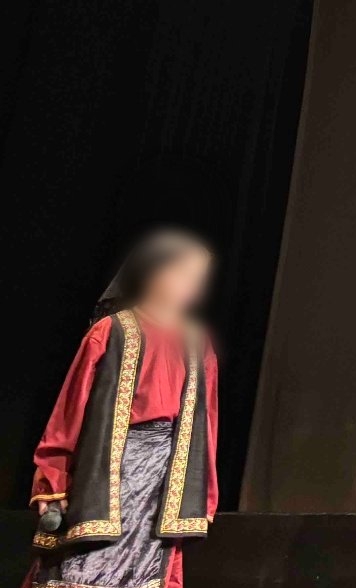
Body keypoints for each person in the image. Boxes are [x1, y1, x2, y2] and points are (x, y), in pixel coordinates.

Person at [28, 229, 220, 588]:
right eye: (184, 274)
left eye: (199, 278)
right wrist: (53, 481)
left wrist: (203, 494)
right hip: (107, 470)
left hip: (164, 478)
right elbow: (69, 413)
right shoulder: (110, 332)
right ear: (153, 272)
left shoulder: (197, 342)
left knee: (148, 570)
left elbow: (206, 423)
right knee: (85, 564)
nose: (193, 287)